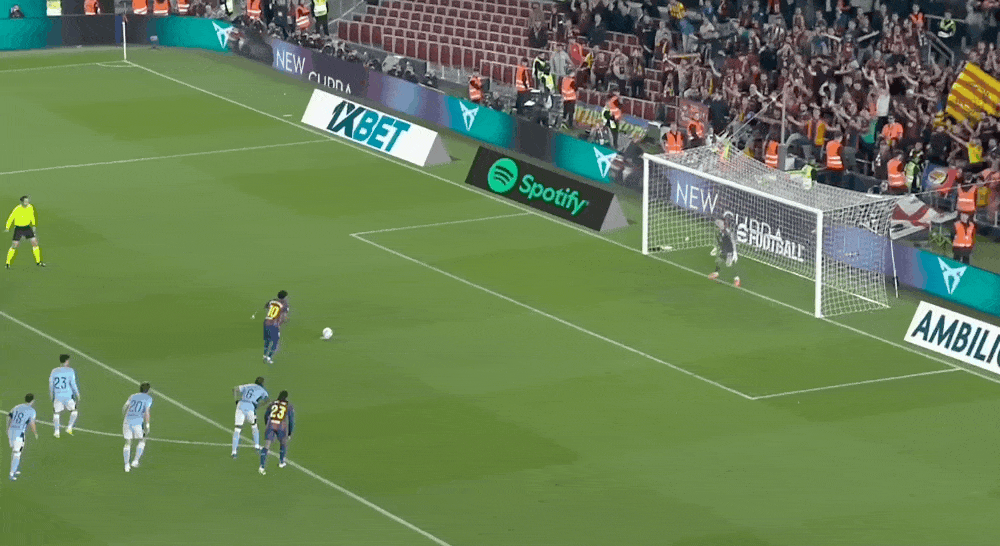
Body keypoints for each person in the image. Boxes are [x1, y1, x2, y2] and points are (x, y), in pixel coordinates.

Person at [259, 390, 294, 475]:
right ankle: (281, 462)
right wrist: (290, 432)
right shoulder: (288, 406)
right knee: (283, 443)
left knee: (267, 445)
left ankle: (261, 467)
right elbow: (291, 420)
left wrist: (267, 424)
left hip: (271, 424)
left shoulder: (272, 403)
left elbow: (266, 415)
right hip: (281, 426)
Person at [232, 377, 268, 458]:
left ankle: (234, 452)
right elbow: (267, 400)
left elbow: (235, 389)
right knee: (254, 426)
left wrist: (236, 400)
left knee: (237, 429)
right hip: (250, 406)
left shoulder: (248, 385)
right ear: (262, 383)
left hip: (240, 405)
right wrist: (258, 406)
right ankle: (257, 446)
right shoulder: (262, 390)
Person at [5, 195, 45, 269]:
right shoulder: (17, 209)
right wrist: (7, 227)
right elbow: (11, 217)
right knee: (14, 245)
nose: (27, 202)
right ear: (22, 202)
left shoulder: (30, 207)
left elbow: (32, 216)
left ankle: (38, 262)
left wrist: (33, 225)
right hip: (18, 229)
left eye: (28, 201)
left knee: (35, 243)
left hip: (27, 228)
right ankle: (7, 263)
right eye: (26, 201)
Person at [122, 382, 152, 473]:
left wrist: (126, 417)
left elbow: (124, 407)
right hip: (138, 422)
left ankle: (126, 465)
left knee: (128, 442)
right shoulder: (148, 398)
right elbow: (147, 412)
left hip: (127, 421)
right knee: (142, 440)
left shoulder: (132, 396)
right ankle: (135, 461)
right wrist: (147, 424)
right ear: (148, 390)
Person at [7, 394, 37, 481]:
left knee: (15, 451)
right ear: (32, 401)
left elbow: (9, 417)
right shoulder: (31, 411)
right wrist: (35, 433)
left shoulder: (17, 407)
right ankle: (12, 474)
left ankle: (14, 469)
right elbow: (32, 423)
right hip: (19, 434)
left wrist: (8, 427)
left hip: (11, 431)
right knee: (17, 453)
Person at [49, 354, 80, 439]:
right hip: (68, 395)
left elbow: (51, 384)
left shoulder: (54, 371)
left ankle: (56, 432)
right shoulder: (70, 371)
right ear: (66, 361)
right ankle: (69, 427)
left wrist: (51, 394)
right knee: (74, 411)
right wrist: (77, 394)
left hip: (58, 395)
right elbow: (73, 384)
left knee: (56, 413)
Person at [708, 218, 740, 287]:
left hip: (729, 250)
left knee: (729, 265)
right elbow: (719, 241)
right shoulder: (719, 232)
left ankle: (737, 279)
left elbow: (733, 242)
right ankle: (716, 273)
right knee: (718, 260)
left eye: (718, 226)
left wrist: (735, 252)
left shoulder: (728, 232)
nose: (716, 227)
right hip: (723, 249)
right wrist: (716, 248)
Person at [262, 290, 289, 364]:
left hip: (266, 322)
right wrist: (282, 322)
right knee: (275, 342)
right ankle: (269, 357)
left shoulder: (272, 301)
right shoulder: (284, 304)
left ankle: (264, 355)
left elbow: (266, 306)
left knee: (267, 340)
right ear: (285, 297)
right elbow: (284, 317)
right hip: (274, 325)